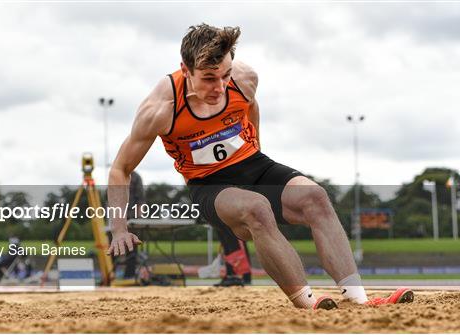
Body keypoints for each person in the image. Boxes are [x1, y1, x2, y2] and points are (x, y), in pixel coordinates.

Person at [107, 23, 413, 309]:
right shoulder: (161, 109)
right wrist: (119, 229)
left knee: (315, 197)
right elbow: (121, 168)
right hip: (210, 186)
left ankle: (358, 300)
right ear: (185, 70)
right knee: (256, 209)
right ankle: (308, 301)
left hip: (253, 165)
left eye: (225, 75)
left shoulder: (244, 79)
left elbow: (250, 105)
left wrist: (254, 143)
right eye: (209, 78)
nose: (220, 87)